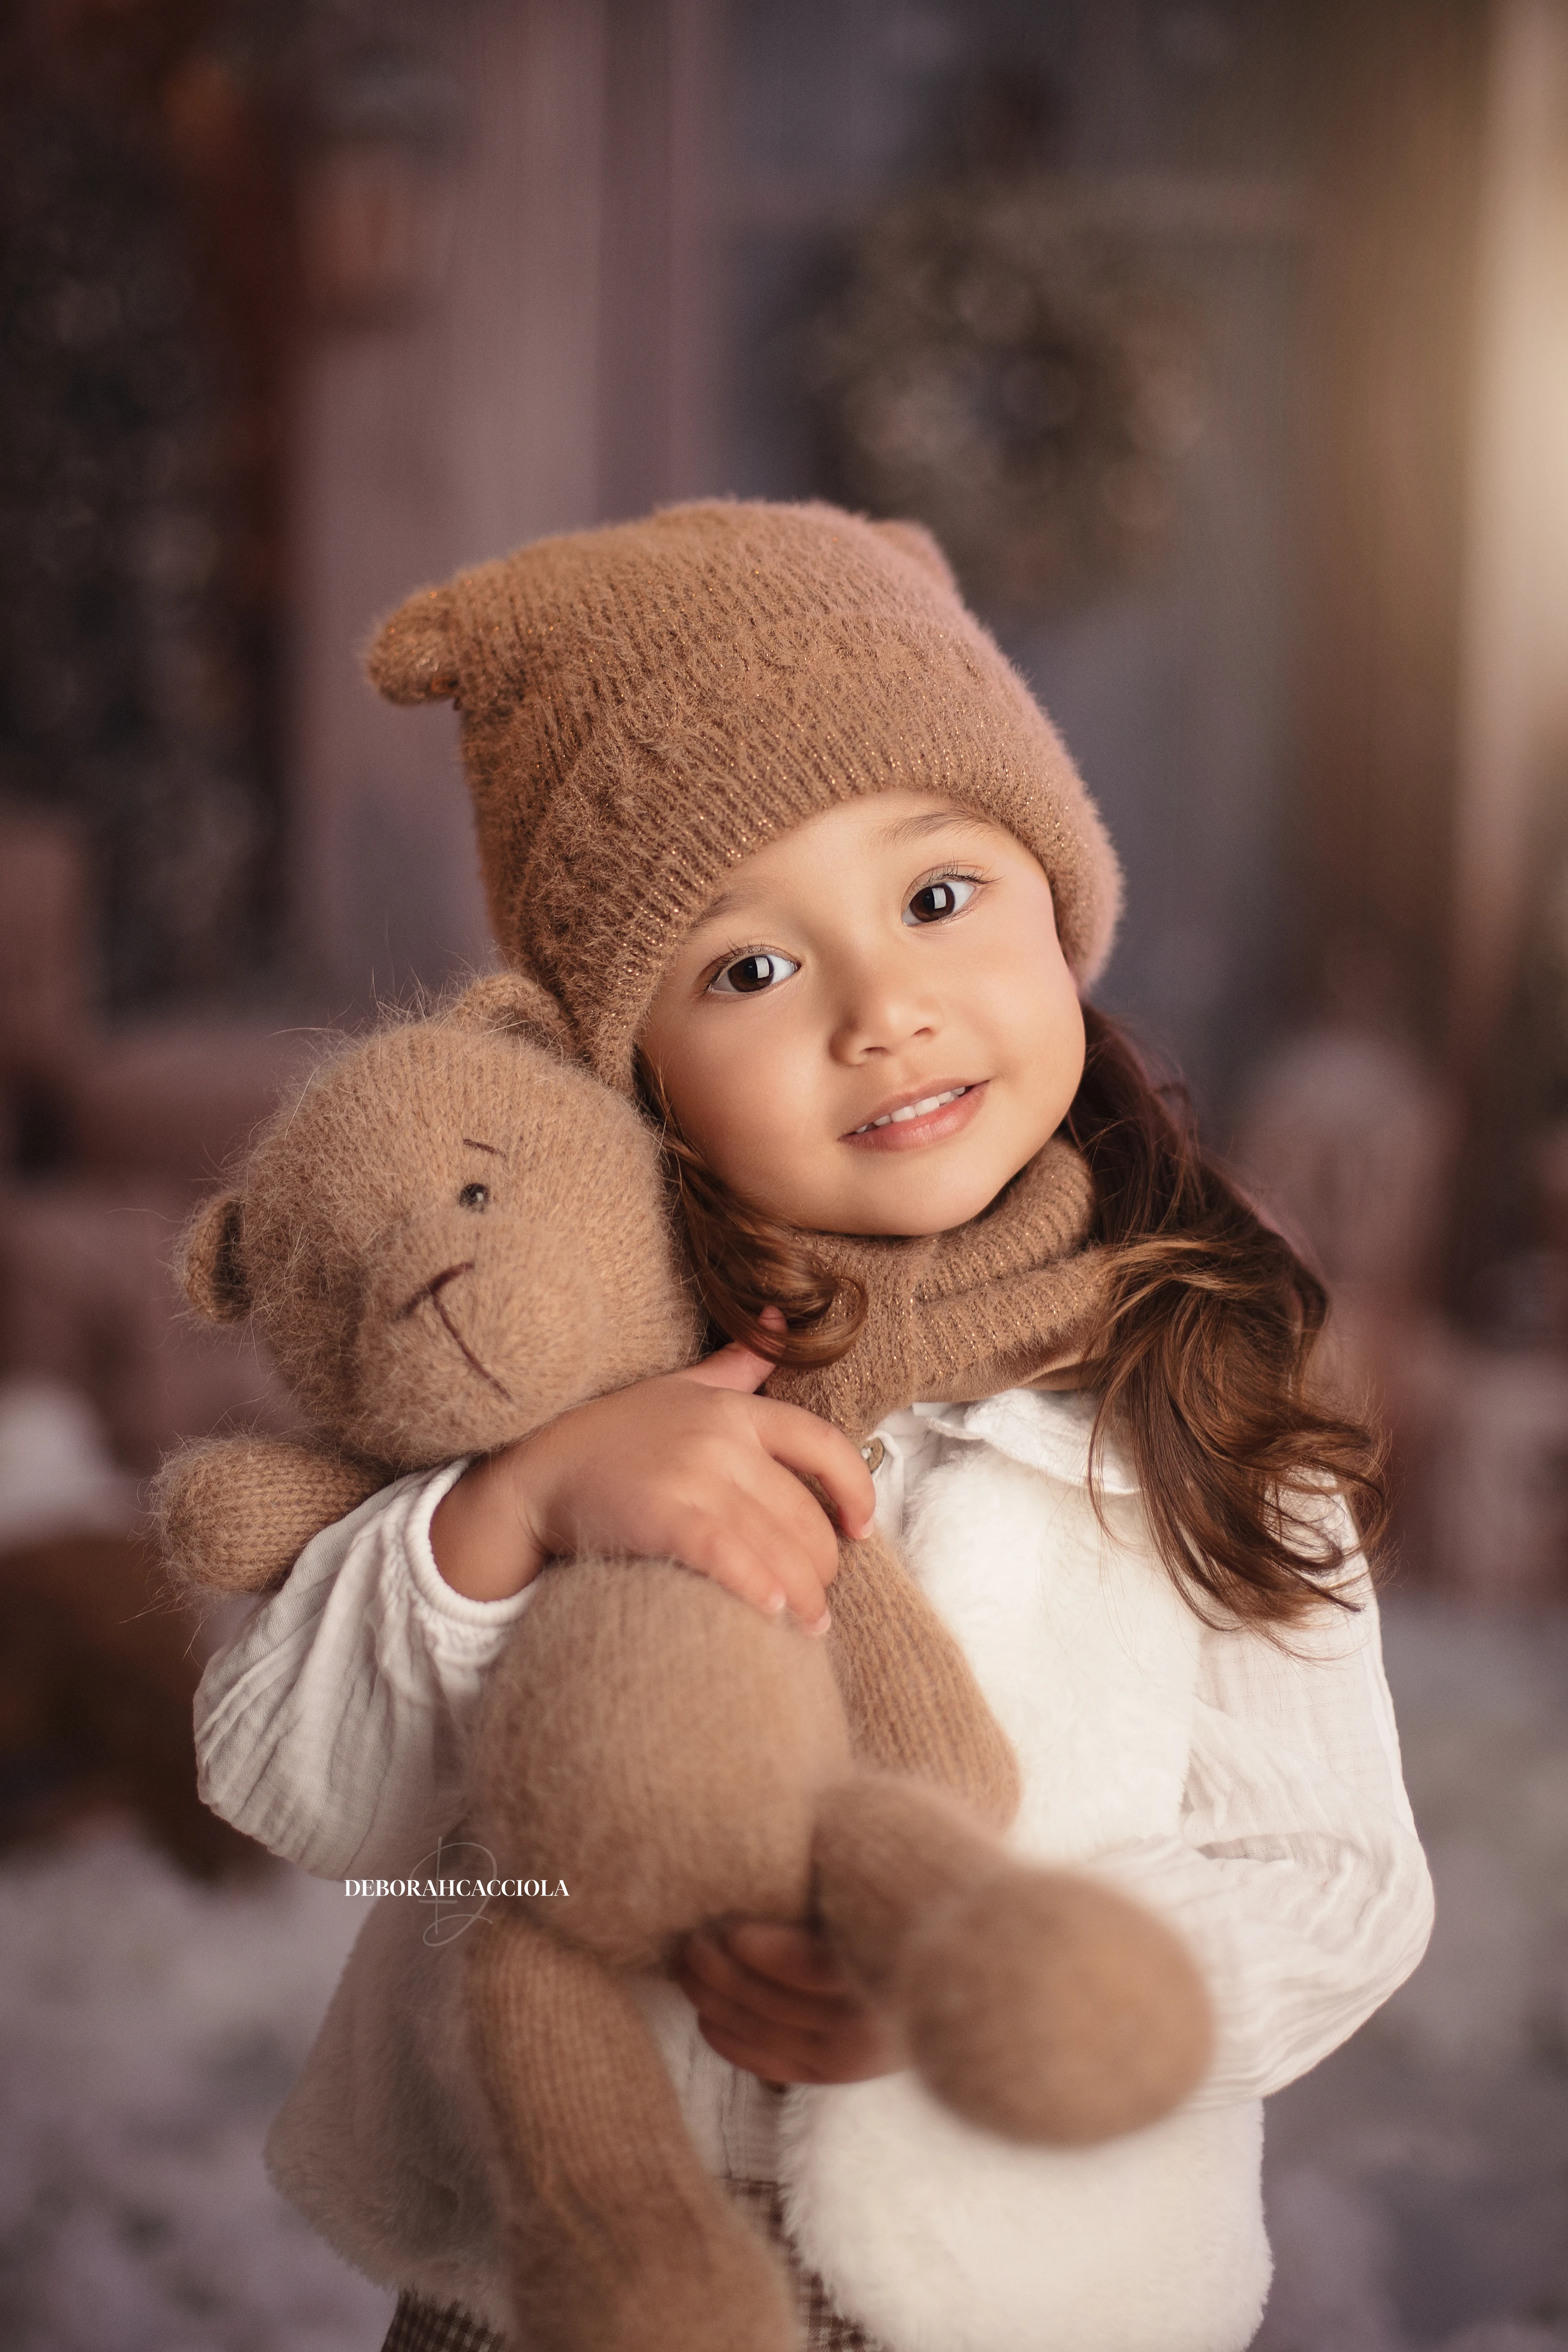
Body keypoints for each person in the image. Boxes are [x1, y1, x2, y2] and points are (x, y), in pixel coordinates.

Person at [194, 501, 1433, 2352]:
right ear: (632, 1073)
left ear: (1058, 902)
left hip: (1018, 2291)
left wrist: (980, 1992)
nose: (883, 1012)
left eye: (937, 898)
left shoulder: (1189, 1382)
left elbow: (1336, 1887)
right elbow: (300, 1789)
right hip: (559, 2273)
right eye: (748, 970)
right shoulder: (566, 1366)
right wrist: (514, 1510)